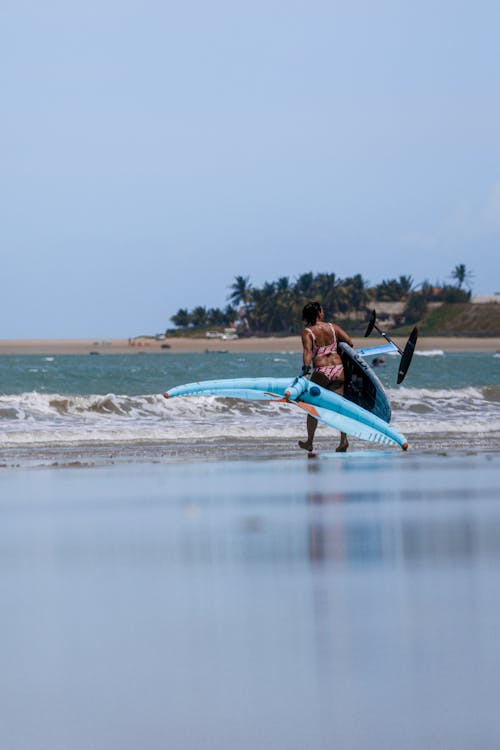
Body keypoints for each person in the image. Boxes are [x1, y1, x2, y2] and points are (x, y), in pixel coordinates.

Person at [298, 301, 353, 453]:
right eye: (322, 310)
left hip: (321, 370)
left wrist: (305, 369)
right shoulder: (333, 328)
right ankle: (343, 440)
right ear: (319, 313)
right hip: (338, 369)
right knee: (339, 407)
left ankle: (309, 442)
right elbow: (349, 342)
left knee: (312, 406)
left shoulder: (308, 332)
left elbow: (308, 351)